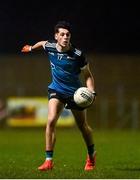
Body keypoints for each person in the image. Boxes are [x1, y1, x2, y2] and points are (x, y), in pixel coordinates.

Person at [21, 20, 97, 171]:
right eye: (62, 34)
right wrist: (30, 48)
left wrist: (91, 91)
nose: (65, 37)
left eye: (68, 34)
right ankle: (49, 161)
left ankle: (91, 154)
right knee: (50, 121)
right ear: (56, 36)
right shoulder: (49, 46)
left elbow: (88, 75)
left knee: (83, 126)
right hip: (56, 90)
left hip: (75, 94)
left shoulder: (77, 55)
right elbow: (42, 43)